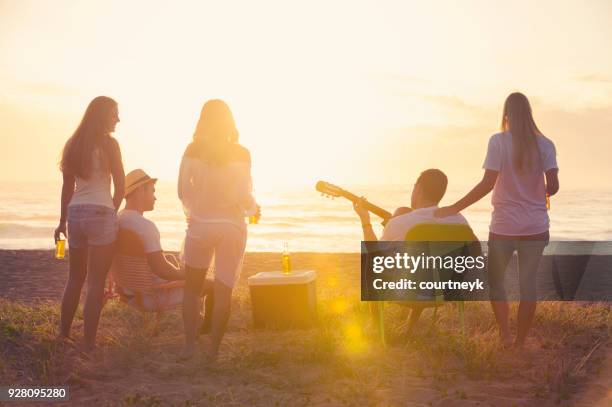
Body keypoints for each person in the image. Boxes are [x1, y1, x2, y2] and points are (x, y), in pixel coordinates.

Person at [435, 92, 559, 348]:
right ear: (529, 115)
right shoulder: (546, 144)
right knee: (528, 285)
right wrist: (539, 190)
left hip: (504, 226)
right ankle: (520, 343)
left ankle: (504, 335)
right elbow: (554, 186)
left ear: (506, 115)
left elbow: (487, 184)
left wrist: (454, 207)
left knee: (496, 282)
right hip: (535, 226)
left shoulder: (498, 141)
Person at [178, 99, 259, 360]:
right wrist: (253, 209)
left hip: (201, 226)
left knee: (192, 290)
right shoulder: (242, 153)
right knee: (224, 292)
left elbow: (183, 189)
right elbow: (244, 194)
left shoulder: (192, 149)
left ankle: (190, 346)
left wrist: (194, 210)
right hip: (231, 227)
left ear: (202, 121)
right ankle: (213, 352)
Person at [353, 169, 476, 331]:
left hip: (408, 294)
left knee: (371, 264)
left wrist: (365, 220)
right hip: (445, 294)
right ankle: (410, 327)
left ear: (418, 188)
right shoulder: (459, 220)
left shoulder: (401, 223)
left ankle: (377, 328)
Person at [54, 96, 125, 352]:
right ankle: (88, 344)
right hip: (100, 211)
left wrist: (62, 221)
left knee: (75, 278)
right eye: (114, 113)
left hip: (76, 212)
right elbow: (121, 185)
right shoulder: (110, 144)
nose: (118, 119)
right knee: (96, 282)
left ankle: (63, 334)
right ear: (102, 115)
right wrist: (111, 212)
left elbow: (67, 188)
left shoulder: (74, 144)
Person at [116, 169, 214, 324]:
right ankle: (205, 330)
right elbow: (161, 269)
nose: (155, 197)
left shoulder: (118, 220)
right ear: (140, 190)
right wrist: (188, 276)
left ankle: (196, 318)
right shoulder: (145, 227)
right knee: (211, 285)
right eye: (152, 191)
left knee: (170, 259)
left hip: (128, 293)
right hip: (152, 296)